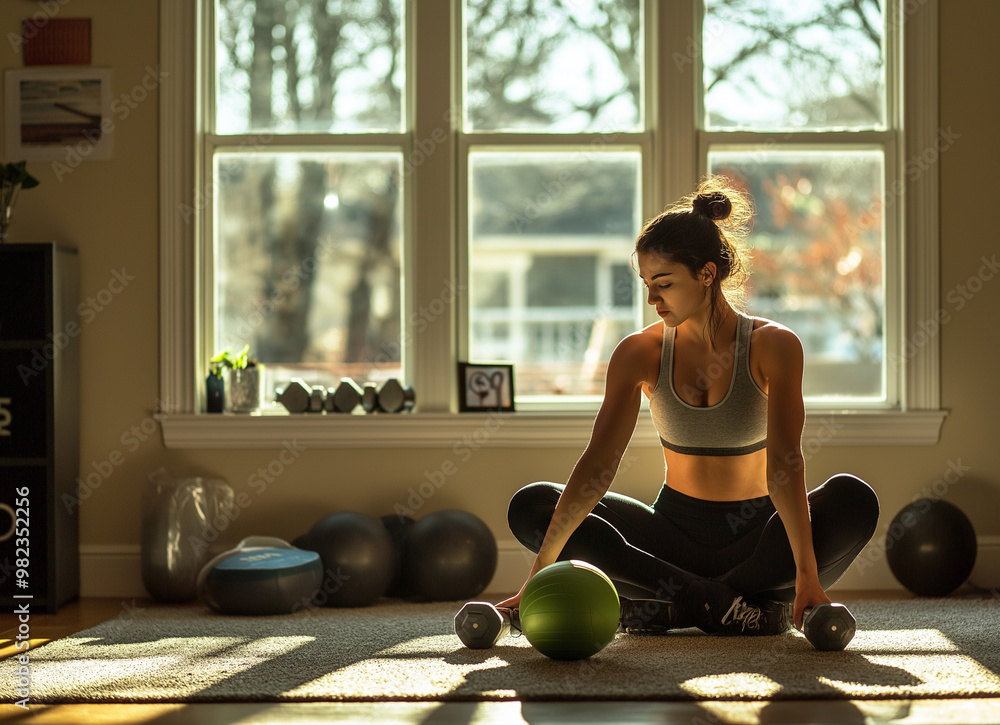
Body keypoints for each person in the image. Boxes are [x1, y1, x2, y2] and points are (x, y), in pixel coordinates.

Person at [498, 175, 880, 637]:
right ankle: (722, 605)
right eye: (645, 283)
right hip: (670, 540)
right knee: (532, 505)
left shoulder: (773, 346)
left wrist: (806, 575)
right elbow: (599, 463)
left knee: (854, 498)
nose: (651, 298)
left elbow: (785, 463)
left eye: (663, 283)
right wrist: (540, 570)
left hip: (757, 541)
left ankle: (677, 604)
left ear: (706, 273)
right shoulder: (639, 353)